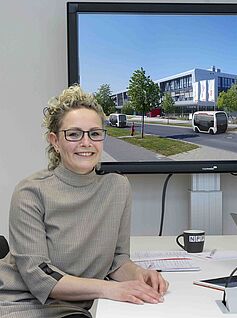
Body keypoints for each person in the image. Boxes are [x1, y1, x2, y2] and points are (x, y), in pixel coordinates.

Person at [0, 85, 168, 318]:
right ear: (55, 142)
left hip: (84, 304)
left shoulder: (118, 187)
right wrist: (111, 288)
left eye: (95, 133)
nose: (86, 142)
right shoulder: (30, 192)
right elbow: (40, 276)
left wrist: (138, 274)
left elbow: (117, 261)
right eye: (74, 134)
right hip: (26, 304)